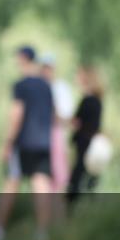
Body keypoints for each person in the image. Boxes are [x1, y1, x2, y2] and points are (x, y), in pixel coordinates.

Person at [0, 46, 54, 240]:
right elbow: (53, 114)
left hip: (24, 142)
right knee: (41, 185)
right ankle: (43, 233)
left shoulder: (21, 85)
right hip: (44, 142)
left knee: (11, 184)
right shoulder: (46, 85)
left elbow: (16, 115)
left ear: (22, 59)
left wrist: (7, 143)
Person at [66, 65, 104, 202]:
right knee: (90, 174)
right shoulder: (98, 99)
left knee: (78, 174)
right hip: (91, 140)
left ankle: (71, 205)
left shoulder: (88, 100)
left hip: (83, 141)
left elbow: (77, 121)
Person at [40, 52, 74, 193]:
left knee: (59, 175)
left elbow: (66, 117)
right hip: (41, 135)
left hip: (57, 134)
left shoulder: (61, 88)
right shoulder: (39, 88)